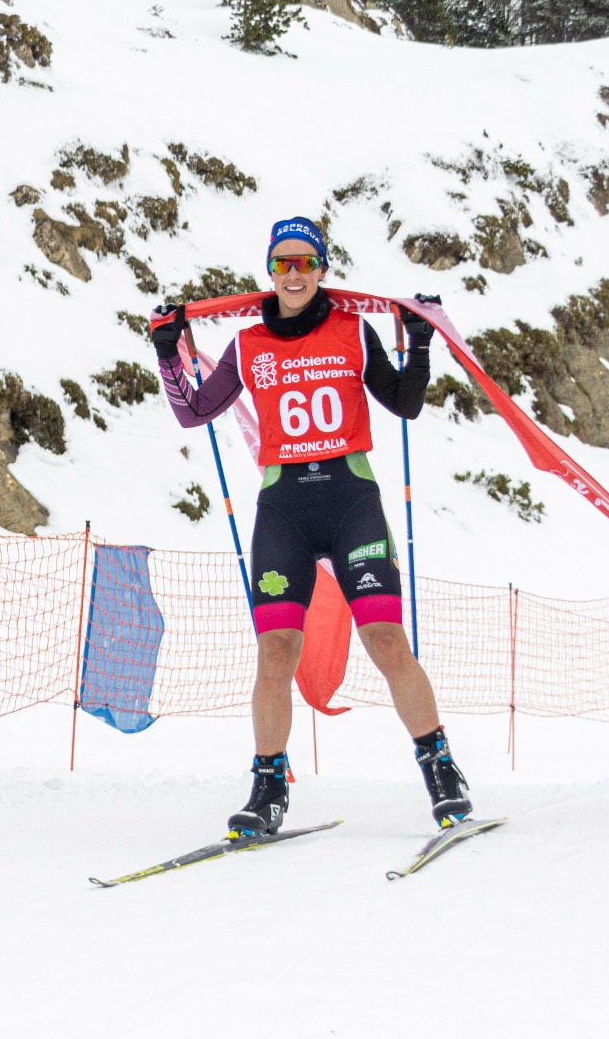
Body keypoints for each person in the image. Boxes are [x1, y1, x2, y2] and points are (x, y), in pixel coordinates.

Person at [152, 216, 474, 835]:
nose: (293, 274)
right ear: (270, 272)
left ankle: (440, 767)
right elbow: (195, 413)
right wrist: (168, 350)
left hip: (351, 499)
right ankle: (268, 786)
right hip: (284, 506)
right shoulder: (248, 344)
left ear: (322, 269)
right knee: (275, 652)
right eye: (282, 264)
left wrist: (420, 340)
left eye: (305, 263)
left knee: (385, 639)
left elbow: (403, 402)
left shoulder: (353, 331)